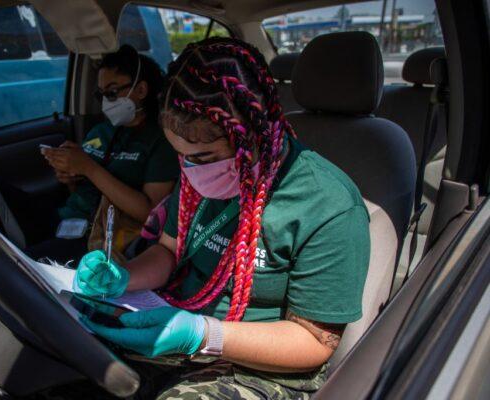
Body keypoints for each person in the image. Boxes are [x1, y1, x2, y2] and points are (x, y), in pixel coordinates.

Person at [77, 37, 371, 399]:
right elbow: (168, 251)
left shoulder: (328, 203)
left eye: (202, 157)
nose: (189, 170)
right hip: (175, 321)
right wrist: (125, 277)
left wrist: (204, 335)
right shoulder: (199, 174)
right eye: (180, 155)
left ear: (254, 135)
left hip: (259, 366)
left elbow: (315, 342)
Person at [0, 45, 179, 263]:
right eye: (101, 95)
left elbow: (150, 213)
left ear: (140, 90)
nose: (105, 103)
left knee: (26, 264)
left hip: (97, 238)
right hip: (64, 218)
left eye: (112, 92)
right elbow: (81, 191)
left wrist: (89, 167)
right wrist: (71, 177)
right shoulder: (101, 131)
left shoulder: (160, 142)